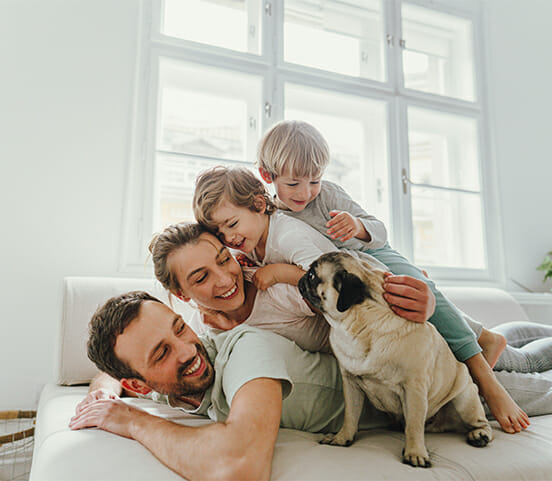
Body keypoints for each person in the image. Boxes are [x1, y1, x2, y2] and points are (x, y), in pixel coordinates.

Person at [70, 231, 552, 480]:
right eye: (162, 352)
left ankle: (496, 342)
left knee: (525, 367)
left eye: (223, 260)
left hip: (420, 363)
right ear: (181, 295)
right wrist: (105, 392)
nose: (222, 280)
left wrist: (131, 421)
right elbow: (115, 369)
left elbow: (239, 467)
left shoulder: (250, 337)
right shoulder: (202, 334)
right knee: (525, 349)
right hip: (378, 365)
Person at [191, 165, 536, 433]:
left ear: (259, 204)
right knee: (512, 354)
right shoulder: (257, 246)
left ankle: (490, 342)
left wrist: (280, 272)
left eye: (232, 224)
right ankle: (501, 337)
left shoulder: (289, 236)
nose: (230, 238)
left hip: (385, 308)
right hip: (375, 328)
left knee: (510, 362)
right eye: (222, 235)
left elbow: (324, 281)